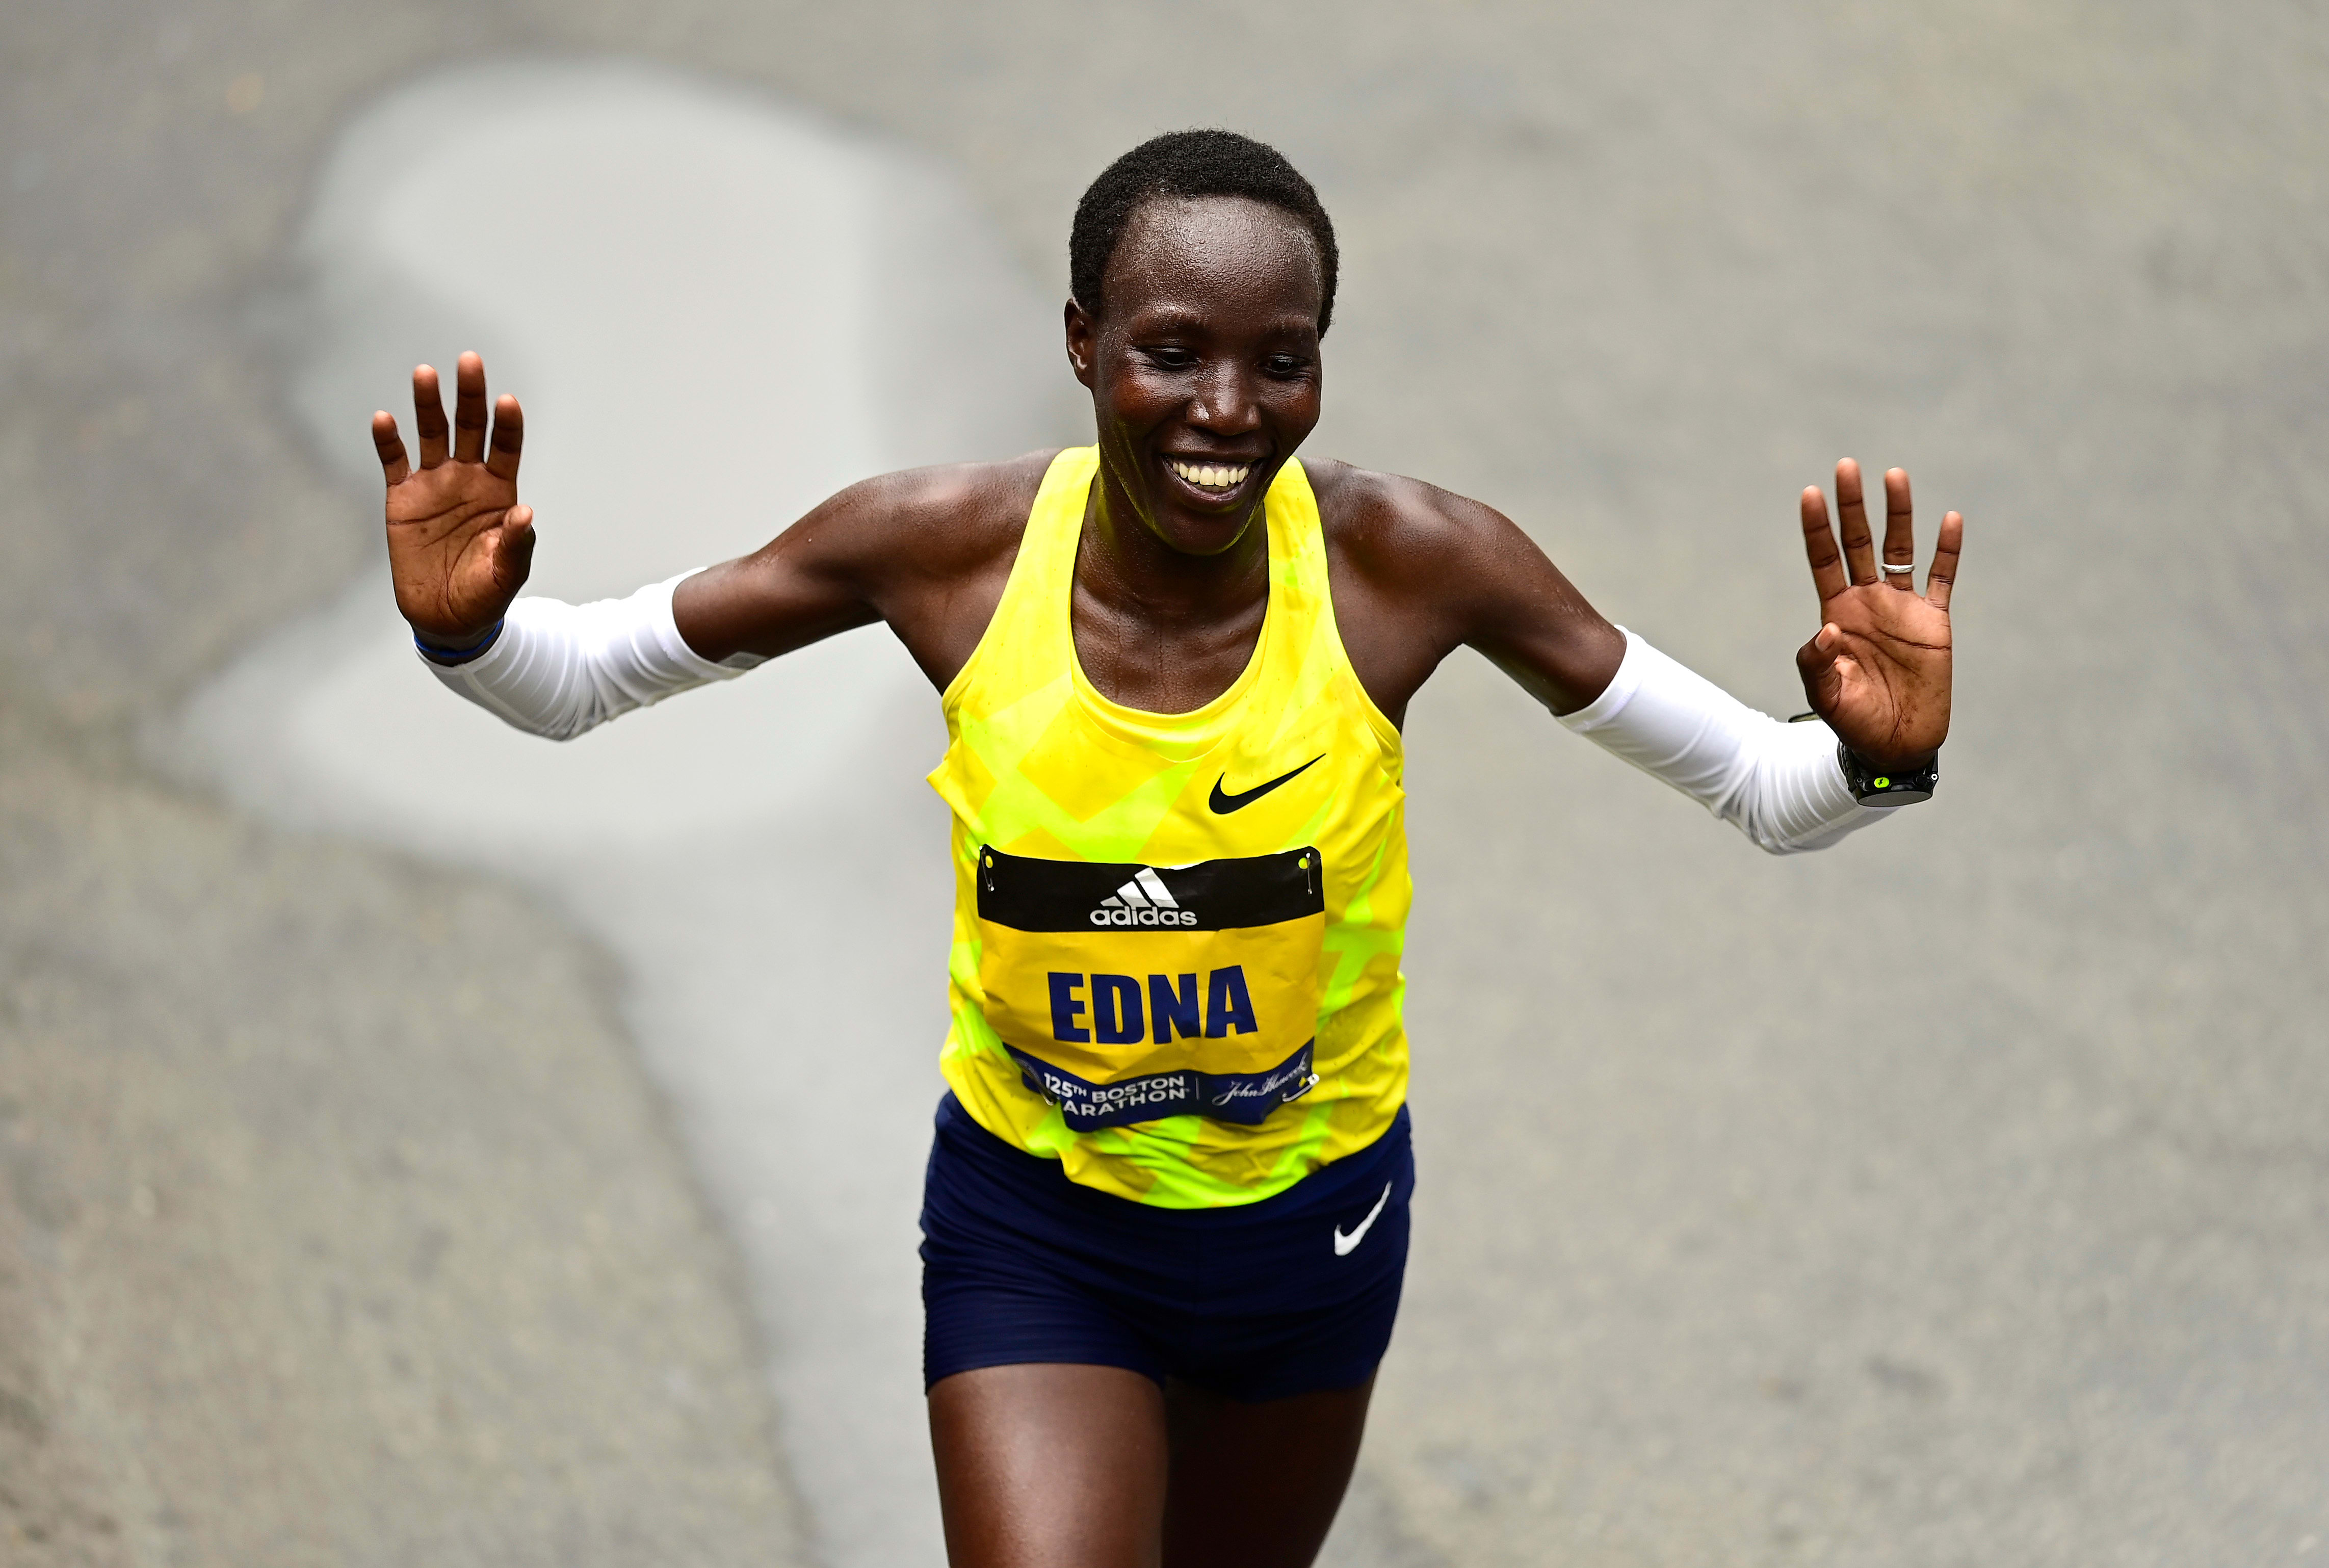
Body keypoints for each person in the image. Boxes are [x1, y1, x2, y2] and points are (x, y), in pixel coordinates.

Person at [369, 129, 1960, 1568]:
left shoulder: (1412, 565)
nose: (1226, 412)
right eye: (1172, 354)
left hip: (1315, 1232)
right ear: (1082, 346)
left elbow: (1768, 788)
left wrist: (1879, 760)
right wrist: (473, 636)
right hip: (1036, 1226)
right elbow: (574, 683)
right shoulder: (939, 552)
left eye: (1282, 361)